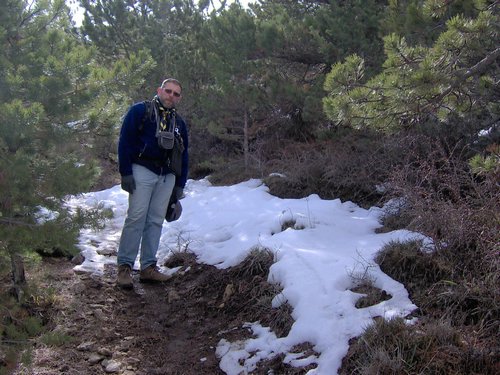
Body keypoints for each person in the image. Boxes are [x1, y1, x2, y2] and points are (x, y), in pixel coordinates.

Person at [116, 78, 189, 289]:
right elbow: (125, 141)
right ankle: (124, 268)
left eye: (176, 93)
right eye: (168, 91)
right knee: (136, 217)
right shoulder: (140, 111)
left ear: (179, 98)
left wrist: (179, 185)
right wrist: (126, 172)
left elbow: (184, 155)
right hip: (142, 169)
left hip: (167, 176)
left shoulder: (179, 123)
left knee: (156, 220)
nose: (171, 96)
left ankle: (148, 268)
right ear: (159, 90)